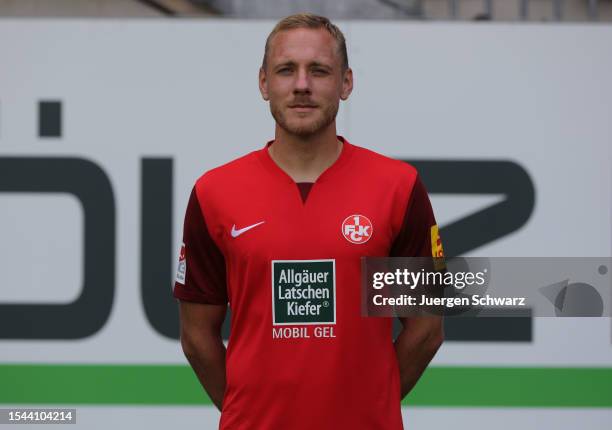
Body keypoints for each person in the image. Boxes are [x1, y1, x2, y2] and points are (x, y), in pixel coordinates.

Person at [173, 13, 444, 430]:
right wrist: (250, 410)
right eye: (286, 70)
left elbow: (426, 329)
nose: (302, 85)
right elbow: (196, 337)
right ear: (264, 83)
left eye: (319, 70)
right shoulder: (215, 193)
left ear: (346, 83)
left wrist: (368, 403)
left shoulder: (398, 187)